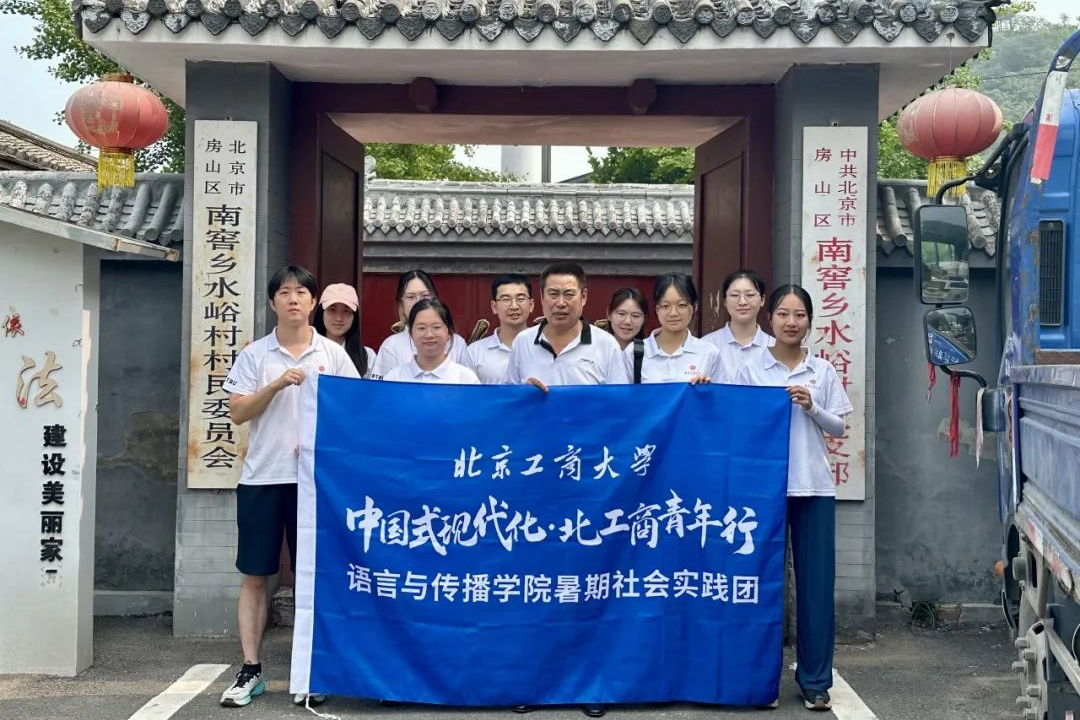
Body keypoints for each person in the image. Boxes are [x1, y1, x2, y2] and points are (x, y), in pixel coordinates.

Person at [219, 265, 360, 709]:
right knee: (255, 575)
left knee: (310, 578)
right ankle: (251, 669)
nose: (293, 299)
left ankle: (309, 670)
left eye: (301, 292)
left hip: (315, 483)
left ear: (313, 302)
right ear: (272, 302)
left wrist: (324, 447)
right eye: (284, 292)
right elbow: (237, 412)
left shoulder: (332, 355)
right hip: (262, 476)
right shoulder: (255, 355)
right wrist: (277, 385)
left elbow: (354, 413)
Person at [735, 284, 852, 713]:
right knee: (758, 585)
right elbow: (736, 422)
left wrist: (811, 406)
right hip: (763, 491)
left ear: (809, 321)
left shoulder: (821, 370)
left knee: (816, 588)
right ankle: (756, 679)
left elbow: (839, 427)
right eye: (783, 314)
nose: (791, 322)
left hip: (813, 487)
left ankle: (815, 681)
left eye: (799, 315)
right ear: (770, 319)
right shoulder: (751, 368)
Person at [506, 262, 622, 393]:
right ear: (542, 297)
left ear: (583, 297)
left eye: (568, 294)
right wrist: (524, 392)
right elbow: (510, 397)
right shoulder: (522, 342)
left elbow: (619, 400)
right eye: (553, 294)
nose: (560, 303)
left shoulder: (606, 345)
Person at [615, 273, 722, 385]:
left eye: (681, 305)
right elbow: (623, 394)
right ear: (657, 308)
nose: (673, 313)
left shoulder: (709, 353)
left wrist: (706, 390)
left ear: (694, 307)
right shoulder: (634, 352)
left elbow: (721, 394)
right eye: (665, 306)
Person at [370, 269, 471, 379]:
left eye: (425, 295)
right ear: (400, 304)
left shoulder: (457, 343)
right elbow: (382, 387)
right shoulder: (391, 346)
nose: (418, 302)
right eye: (411, 297)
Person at [383, 299, 480, 384]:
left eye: (436, 327)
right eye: (421, 328)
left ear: (449, 333)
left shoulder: (466, 380)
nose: (429, 335)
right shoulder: (393, 379)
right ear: (411, 334)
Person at [702, 269, 774, 382]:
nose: (742, 302)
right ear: (725, 301)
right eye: (735, 295)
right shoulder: (707, 345)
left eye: (750, 295)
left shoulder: (774, 347)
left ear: (762, 300)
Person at [467, 274, 535, 384]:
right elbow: (466, 392)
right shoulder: (474, 352)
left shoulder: (545, 347)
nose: (514, 306)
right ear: (494, 306)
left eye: (521, 299)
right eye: (506, 299)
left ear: (531, 305)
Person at [313, 282, 375, 378]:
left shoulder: (367, 356)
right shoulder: (308, 351)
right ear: (321, 313)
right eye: (332, 310)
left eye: (346, 311)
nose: (339, 318)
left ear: (354, 317)